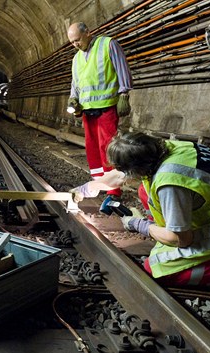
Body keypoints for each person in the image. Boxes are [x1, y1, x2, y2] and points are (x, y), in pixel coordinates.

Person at [72, 132, 210, 288]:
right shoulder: (163, 148)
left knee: (157, 269)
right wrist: (88, 188)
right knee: (145, 190)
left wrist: (140, 225)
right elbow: (121, 174)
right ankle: (173, 224)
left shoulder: (170, 182)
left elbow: (181, 240)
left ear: (136, 169)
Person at [67, 22, 133, 213]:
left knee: (108, 148)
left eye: (77, 40)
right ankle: (99, 184)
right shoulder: (76, 59)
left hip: (106, 107)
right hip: (87, 110)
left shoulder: (108, 44)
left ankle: (113, 190)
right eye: (72, 42)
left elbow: (122, 68)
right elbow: (75, 83)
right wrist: (73, 99)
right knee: (92, 149)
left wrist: (124, 94)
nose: (76, 45)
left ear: (88, 32)